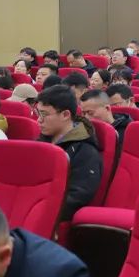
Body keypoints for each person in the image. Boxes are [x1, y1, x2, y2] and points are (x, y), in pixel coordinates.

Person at [34, 85, 102, 220]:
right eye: (37, 113)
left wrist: (39, 211)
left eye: (44, 114)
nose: (39, 120)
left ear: (65, 115)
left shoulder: (85, 151)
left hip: (52, 217)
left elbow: (77, 197)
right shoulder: (40, 142)